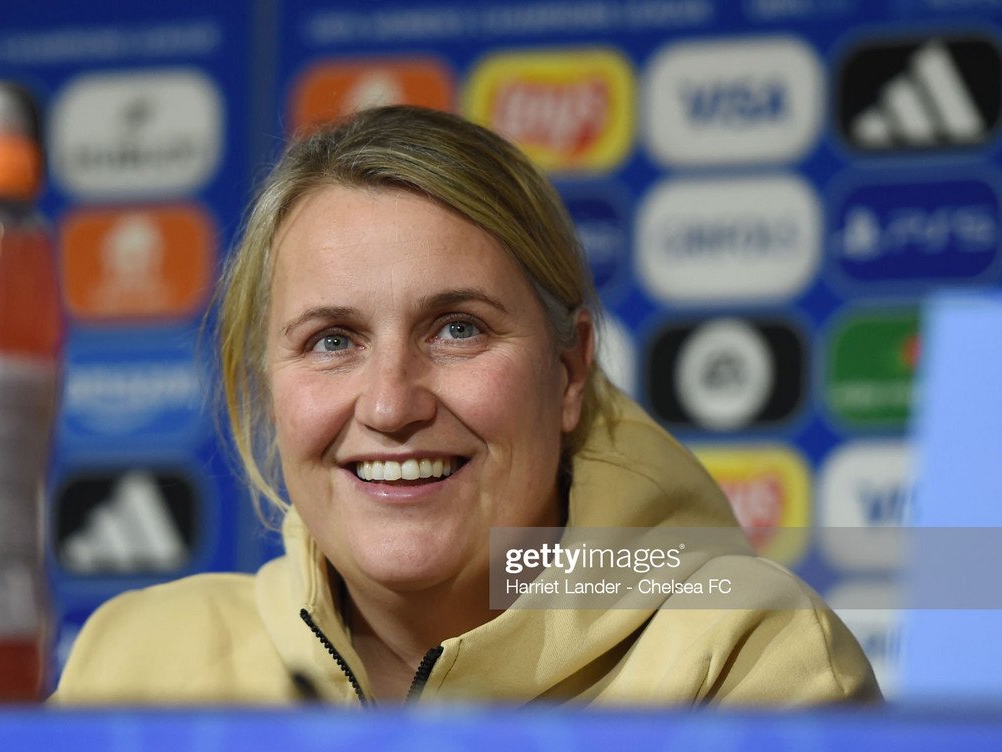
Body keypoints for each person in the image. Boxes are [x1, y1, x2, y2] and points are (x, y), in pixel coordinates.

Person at [53, 106, 880, 706]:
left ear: (566, 374)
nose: (390, 403)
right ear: (269, 388)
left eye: (457, 329)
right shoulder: (137, 664)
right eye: (333, 340)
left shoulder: (746, 657)